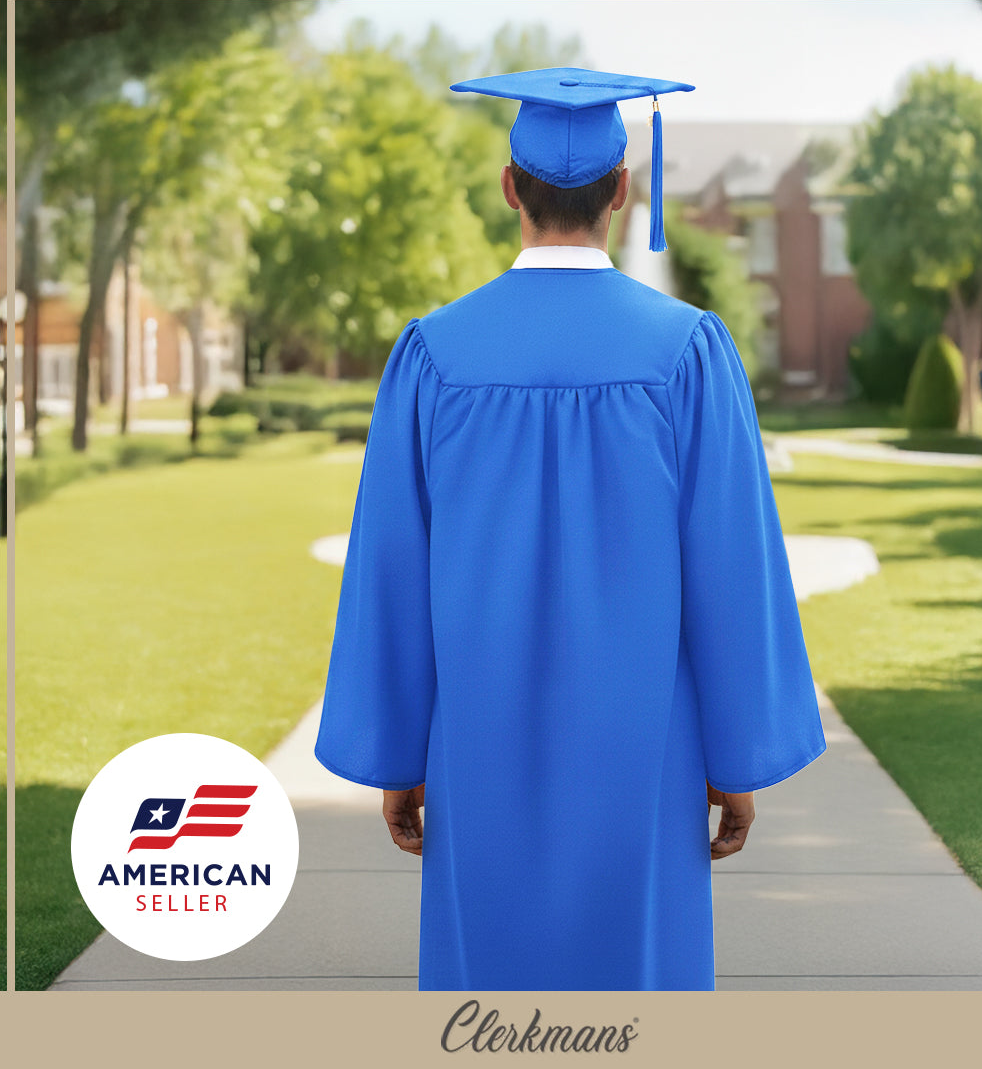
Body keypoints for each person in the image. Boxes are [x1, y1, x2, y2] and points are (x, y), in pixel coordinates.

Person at [315, 67, 826, 992]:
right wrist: (734, 756)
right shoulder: (689, 352)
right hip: (648, 751)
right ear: (622, 190)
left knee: (490, 998)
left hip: (475, 747)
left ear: (509, 188)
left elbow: (391, 567)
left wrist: (399, 752)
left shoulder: (433, 354)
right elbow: (731, 567)